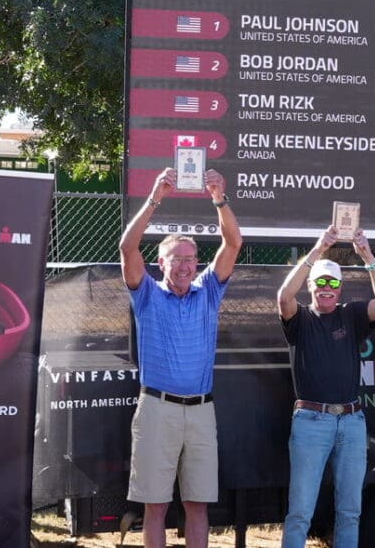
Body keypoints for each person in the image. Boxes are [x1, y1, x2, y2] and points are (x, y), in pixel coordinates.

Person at [119, 167, 242, 548]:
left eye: (191, 258)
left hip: (202, 411)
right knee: (155, 506)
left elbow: (233, 243)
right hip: (157, 408)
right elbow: (127, 247)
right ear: (161, 263)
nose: (186, 265)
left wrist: (219, 198)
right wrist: (156, 196)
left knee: (197, 506)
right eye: (177, 259)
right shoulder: (147, 294)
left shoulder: (208, 290)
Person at [276, 225, 375, 548]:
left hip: (352, 422)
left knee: (350, 511)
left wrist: (367, 255)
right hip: (311, 422)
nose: (326, 289)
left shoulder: (351, 315)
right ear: (312, 286)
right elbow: (284, 296)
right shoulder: (299, 319)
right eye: (321, 283)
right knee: (300, 512)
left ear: (340, 290)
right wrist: (318, 250)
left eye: (333, 284)